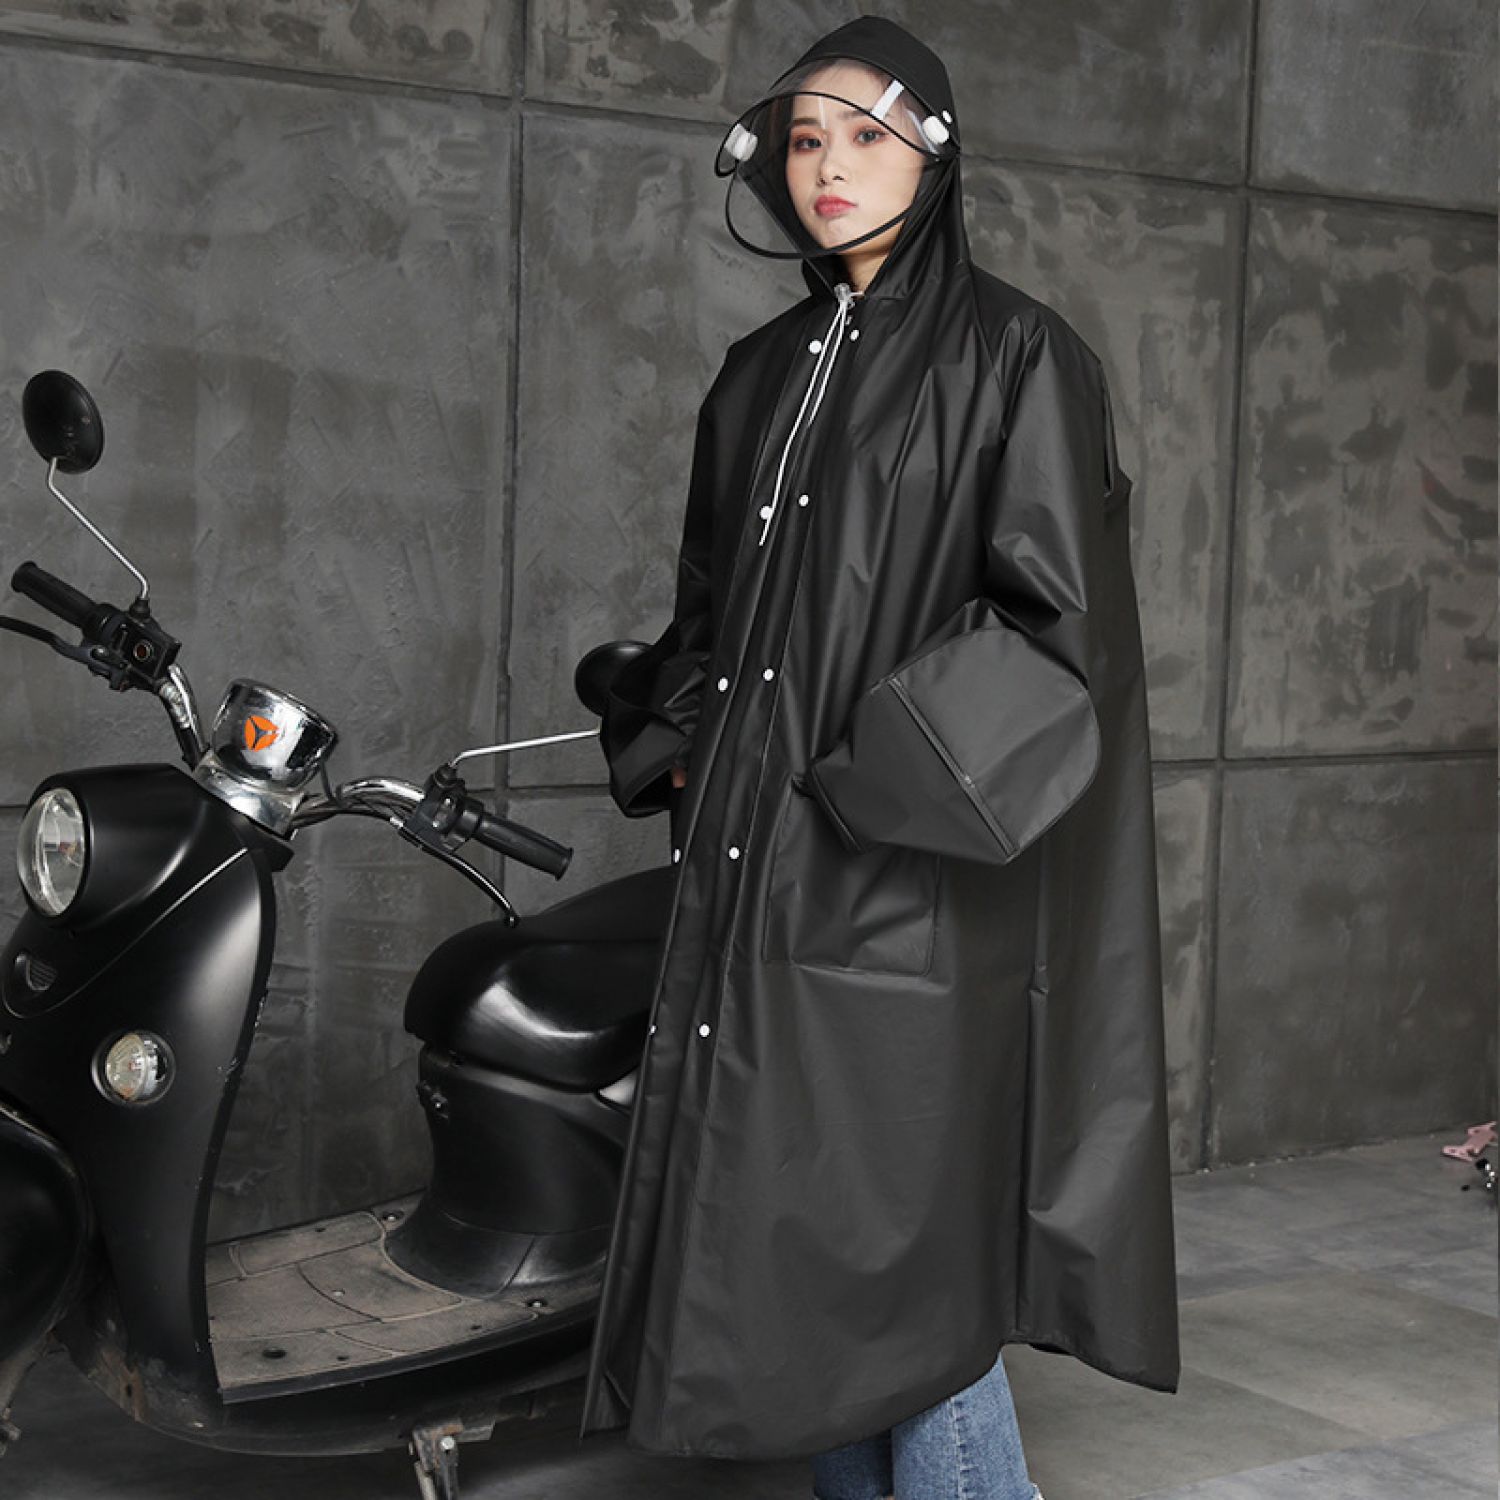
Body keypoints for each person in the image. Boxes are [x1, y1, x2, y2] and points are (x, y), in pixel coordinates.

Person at [582, 11, 1179, 1488]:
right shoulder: (758, 373)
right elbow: (712, 613)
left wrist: (852, 787)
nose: (828, 165)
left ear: (936, 156)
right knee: (805, 1266)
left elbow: (1058, 639)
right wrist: (681, 748)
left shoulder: (1018, 356)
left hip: (905, 887)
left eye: (866, 135)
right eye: (804, 139)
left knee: (899, 1258)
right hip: (749, 883)